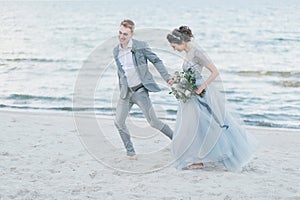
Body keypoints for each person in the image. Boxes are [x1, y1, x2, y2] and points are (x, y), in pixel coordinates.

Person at [166, 26, 257, 171]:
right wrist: (177, 80)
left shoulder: (197, 52)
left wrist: (202, 87)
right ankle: (195, 158)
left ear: (180, 41)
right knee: (193, 127)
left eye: (174, 46)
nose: (174, 49)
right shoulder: (187, 52)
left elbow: (214, 72)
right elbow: (190, 73)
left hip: (200, 93)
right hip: (190, 94)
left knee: (210, 124)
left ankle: (228, 154)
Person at [113, 19, 174, 160]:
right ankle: (131, 152)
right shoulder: (116, 50)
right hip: (126, 93)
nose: (122, 36)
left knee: (153, 122)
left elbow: (156, 60)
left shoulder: (140, 46)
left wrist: (167, 78)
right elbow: (120, 72)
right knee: (118, 122)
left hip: (140, 91)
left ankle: (176, 139)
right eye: (120, 33)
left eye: (125, 34)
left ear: (132, 34)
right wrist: (122, 88)